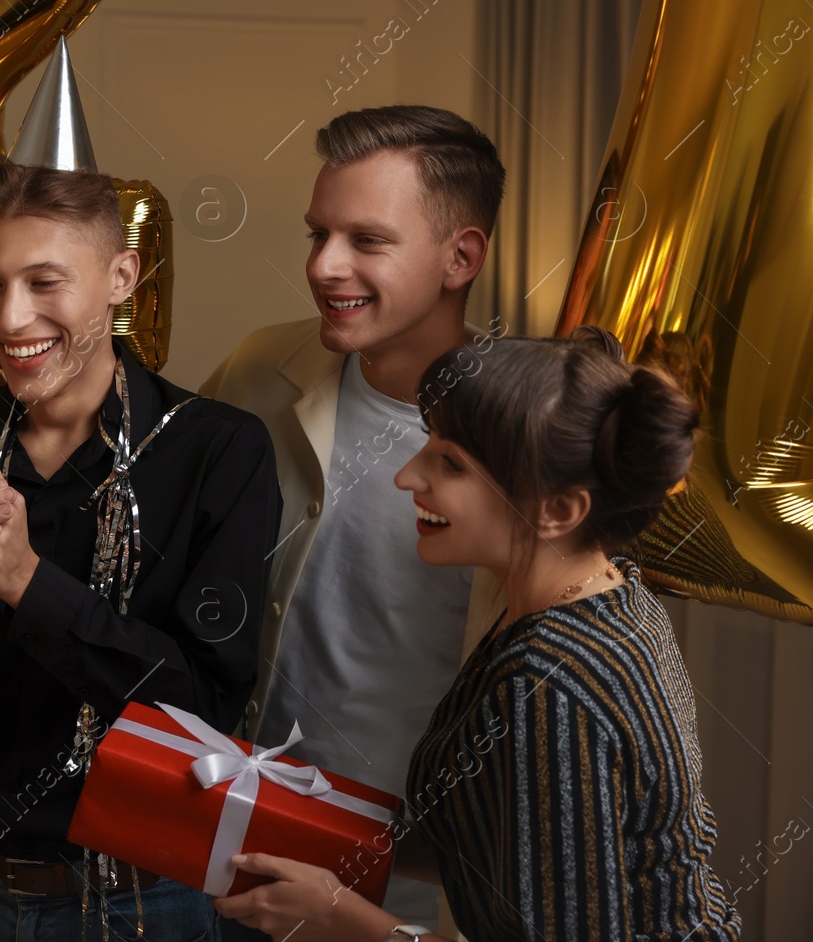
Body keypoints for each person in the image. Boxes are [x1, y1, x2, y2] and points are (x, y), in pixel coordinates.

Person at [0, 158, 280, 940]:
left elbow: (207, 709)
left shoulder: (217, 452)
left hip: (146, 900)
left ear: (121, 275)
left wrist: (25, 580)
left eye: (45, 282)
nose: (11, 318)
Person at [214, 331, 742, 942]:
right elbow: (500, 844)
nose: (408, 476)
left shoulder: (553, 683)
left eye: (452, 463)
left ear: (559, 510)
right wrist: (309, 823)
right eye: (428, 443)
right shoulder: (603, 595)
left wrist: (337, 919)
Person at [197, 106, 507, 929]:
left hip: (414, 892)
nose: (325, 265)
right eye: (317, 234)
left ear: (460, 257)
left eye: (367, 240)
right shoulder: (260, 367)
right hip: (232, 848)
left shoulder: (530, 444)